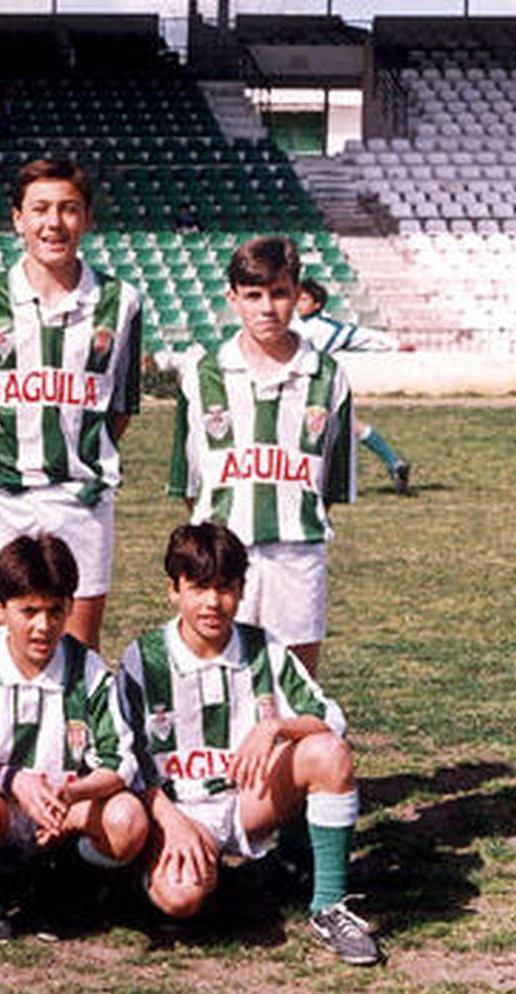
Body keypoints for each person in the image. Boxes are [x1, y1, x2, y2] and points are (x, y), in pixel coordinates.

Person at [118, 522, 379, 966]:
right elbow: (125, 760)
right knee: (182, 901)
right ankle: (167, 873)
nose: (212, 602)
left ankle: (329, 906)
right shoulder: (144, 658)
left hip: (246, 801)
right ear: (173, 590)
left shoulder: (262, 648)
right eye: (198, 587)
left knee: (328, 753)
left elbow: (331, 719)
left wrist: (277, 727)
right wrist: (171, 823)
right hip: (178, 810)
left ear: (241, 591)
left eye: (225, 588)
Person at [0, 158, 144, 652]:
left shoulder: (121, 301)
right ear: (18, 217)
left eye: (68, 209)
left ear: (86, 218)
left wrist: (76, 451)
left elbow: (119, 407)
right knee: (10, 648)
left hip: (82, 499)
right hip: (7, 498)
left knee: (78, 649)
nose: (53, 222)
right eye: (39, 209)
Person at [0, 534, 147, 942]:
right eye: (28, 611)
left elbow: (121, 763)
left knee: (127, 819)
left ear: (69, 608)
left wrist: (72, 794)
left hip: (60, 814)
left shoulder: (89, 669)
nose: (43, 626)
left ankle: (63, 886)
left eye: (54, 611)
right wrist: (15, 781)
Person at [168, 236, 353, 676]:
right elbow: (191, 485)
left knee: (295, 682)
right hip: (222, 559)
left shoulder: (327, 376)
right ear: (233, 298)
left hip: (297, 556)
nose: (267, 308)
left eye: (279, 293)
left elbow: (329, 486)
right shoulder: (202, 374)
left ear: (298, 294)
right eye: (253, 295)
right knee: (218, 674)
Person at [293, 279, 412, 495]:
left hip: (311, 386)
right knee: (348, 426)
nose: (298, 303)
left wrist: (393, 345)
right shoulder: (293, 323)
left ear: (317, 304)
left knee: (311, 431)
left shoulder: (326, 327)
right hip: (297, 385)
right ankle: (394, 463)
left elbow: (362, 335)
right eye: (297, 298)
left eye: (304, 299)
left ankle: (307, 481)